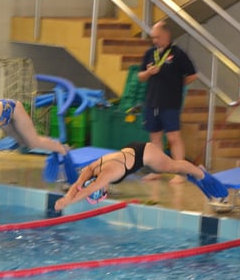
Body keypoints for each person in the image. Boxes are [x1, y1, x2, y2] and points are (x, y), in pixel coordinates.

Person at [54, 141, 227, 211]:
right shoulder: (89, 170)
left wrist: (68, 202)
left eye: (102, 192)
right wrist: (66, 197)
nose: (105, 191)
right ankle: (194, 172)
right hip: (131, 151)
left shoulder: (107, 175)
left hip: (144, 153)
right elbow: (78, 186)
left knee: (172, 166)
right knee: (164, 169)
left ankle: (201, 173)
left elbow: (86, 190)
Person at [137, 20, 198, 184]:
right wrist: (148, 73)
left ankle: (181, 173)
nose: (155, 40)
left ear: (166, 35)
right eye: (153, 37)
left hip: (170, 103)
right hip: (152, 101)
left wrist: (177, 85)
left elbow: (192, 75)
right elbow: (140, 76)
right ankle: (157, 170)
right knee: (155, 138)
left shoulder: (178, 54)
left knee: (173, 137)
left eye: (157, 37)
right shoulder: (150, 53)